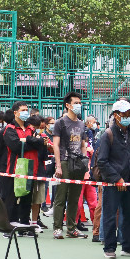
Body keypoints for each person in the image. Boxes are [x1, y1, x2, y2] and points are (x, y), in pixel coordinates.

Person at [97, 99, 130, 259]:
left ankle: (128, 246)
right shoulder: (108, 135)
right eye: (124, 114)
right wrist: (117, 178)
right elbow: (102, 161)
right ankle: (109, 247)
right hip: (113, 183)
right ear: (116, 115)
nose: (127, 116)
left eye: (129, 113)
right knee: (110, 215)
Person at [52, 92, 89, 239]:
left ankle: (72, 228)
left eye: (80, 103)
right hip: (65, 162)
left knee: (75, 198)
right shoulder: (60, 123)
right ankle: (57, 228)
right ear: (68, 105)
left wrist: (85, 164)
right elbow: (56, 145)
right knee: (61, 197)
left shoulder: (81, 123)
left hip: (78, 163)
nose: (79, 105)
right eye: (76, 103)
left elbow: (83, 145)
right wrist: (58, 165)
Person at [3, 102, 45, 230]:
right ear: (15, 113)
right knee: (12, 199)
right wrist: (32, 141)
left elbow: (40, 143)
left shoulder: (30, 128)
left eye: (27, 109)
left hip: (30, 169)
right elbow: (15, 146)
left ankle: (25, 226)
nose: (26, 112)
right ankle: (9, 226)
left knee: (27, 199)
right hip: (14, 169)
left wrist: (26, 140)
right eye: (23, 110)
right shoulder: (9, 129)